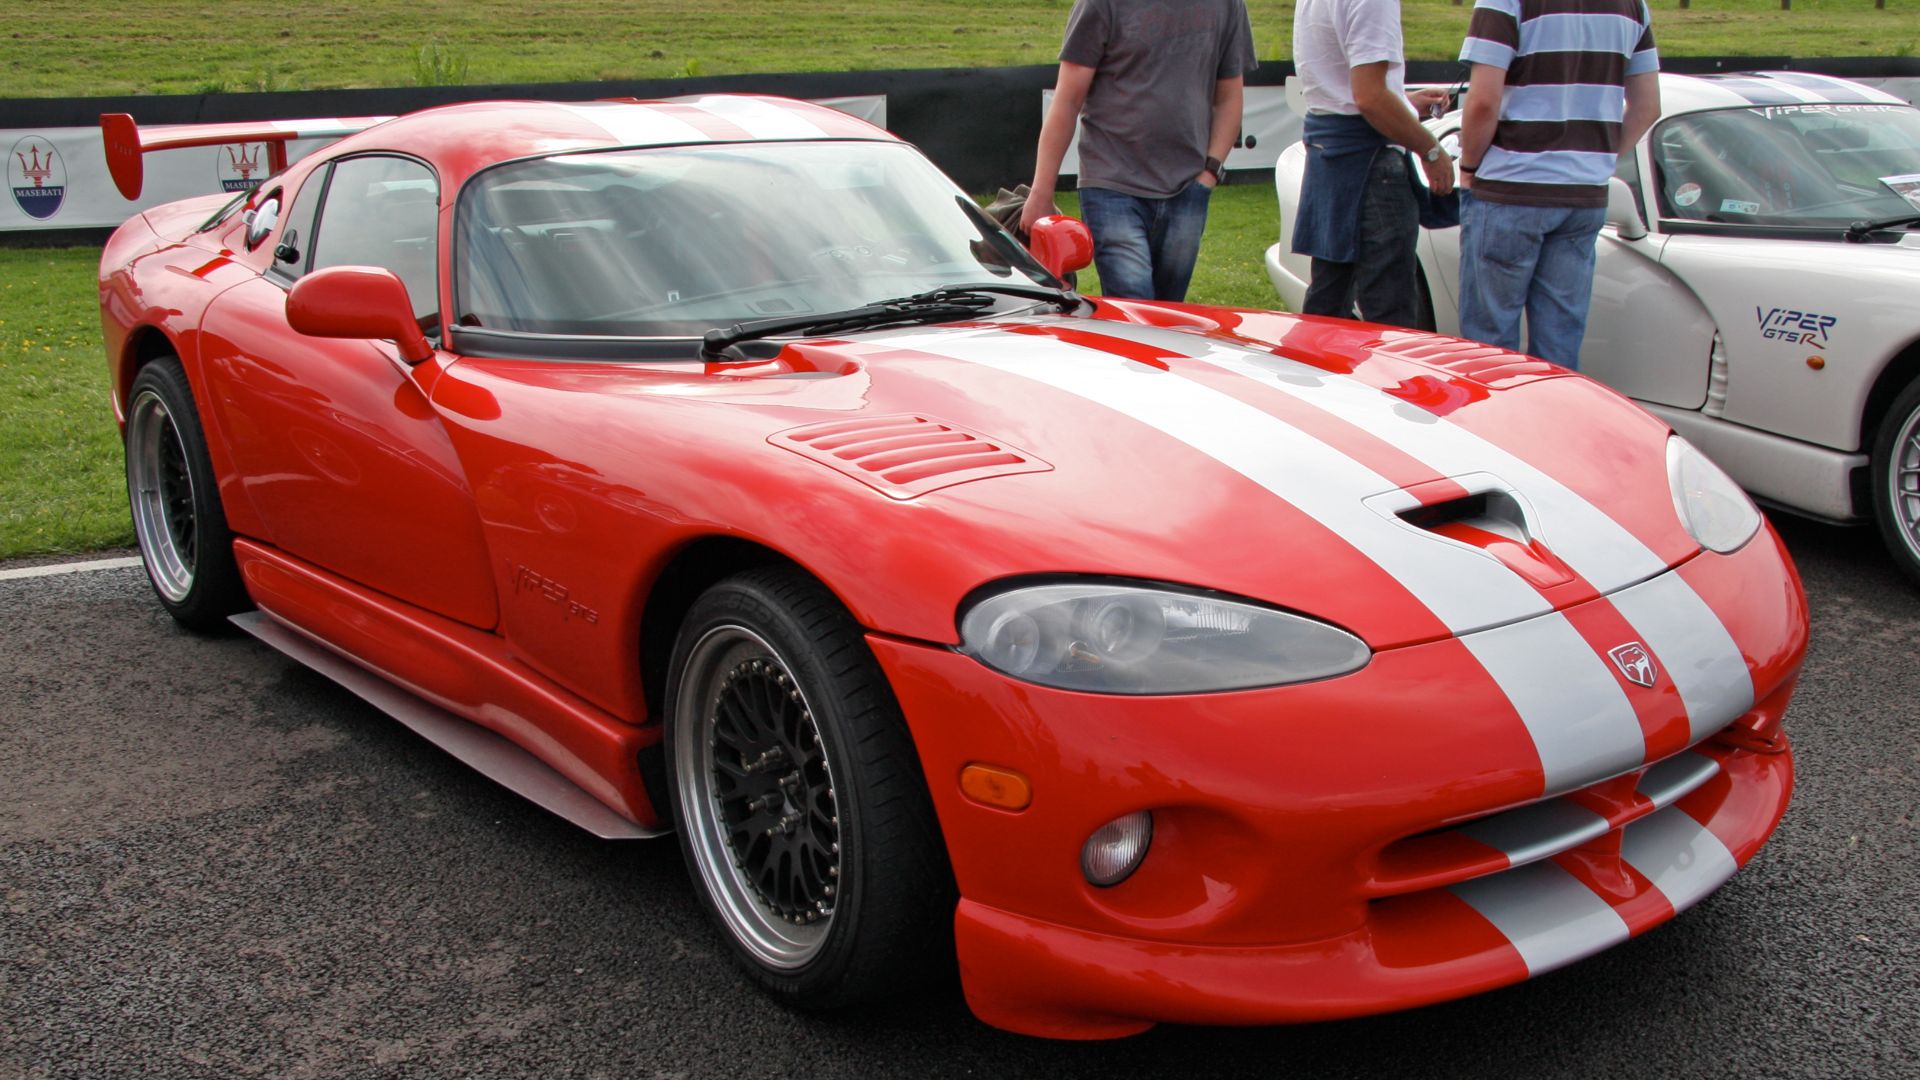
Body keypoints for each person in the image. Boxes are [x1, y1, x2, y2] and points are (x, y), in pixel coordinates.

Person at [1455, 0, 1661, 367]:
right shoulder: (1632, 5)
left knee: (1488, 349)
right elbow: (1647, 107)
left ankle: (1493, 425)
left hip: (1511, 187)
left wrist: (1469, 166)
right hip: (1584, 195)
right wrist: (1598, 159)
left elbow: (1483, 101)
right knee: (1560, 345)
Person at [1020, 0, 1258, 302]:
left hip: (1188, 189)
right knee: (1136, 309)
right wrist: (1041, 192)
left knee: (1168, 313)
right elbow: (1067, 100)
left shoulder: (1226, 5)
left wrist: (1209, 174)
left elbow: (1229, 98)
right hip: (1111, 186)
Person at [1290, 0, 1455, 328]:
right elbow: (1369, 98)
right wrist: (1431, 150)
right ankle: (1381, 381)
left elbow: (1344, 90)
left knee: (1329, 302)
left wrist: (1404, 106)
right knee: (1389, 313)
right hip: (1368, 164)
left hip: (1334, 156)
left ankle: (1322, 375)